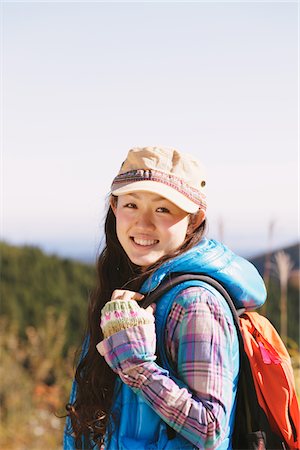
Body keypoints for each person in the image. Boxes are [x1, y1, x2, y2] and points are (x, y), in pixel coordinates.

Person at [64, 146, 266, 450]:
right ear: (114, 207)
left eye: (163, 209)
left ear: (194, 220)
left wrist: (136, 365)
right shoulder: (133, 284)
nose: (143, 223)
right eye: (131, 204)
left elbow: (210, 428)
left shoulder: (196, 302)